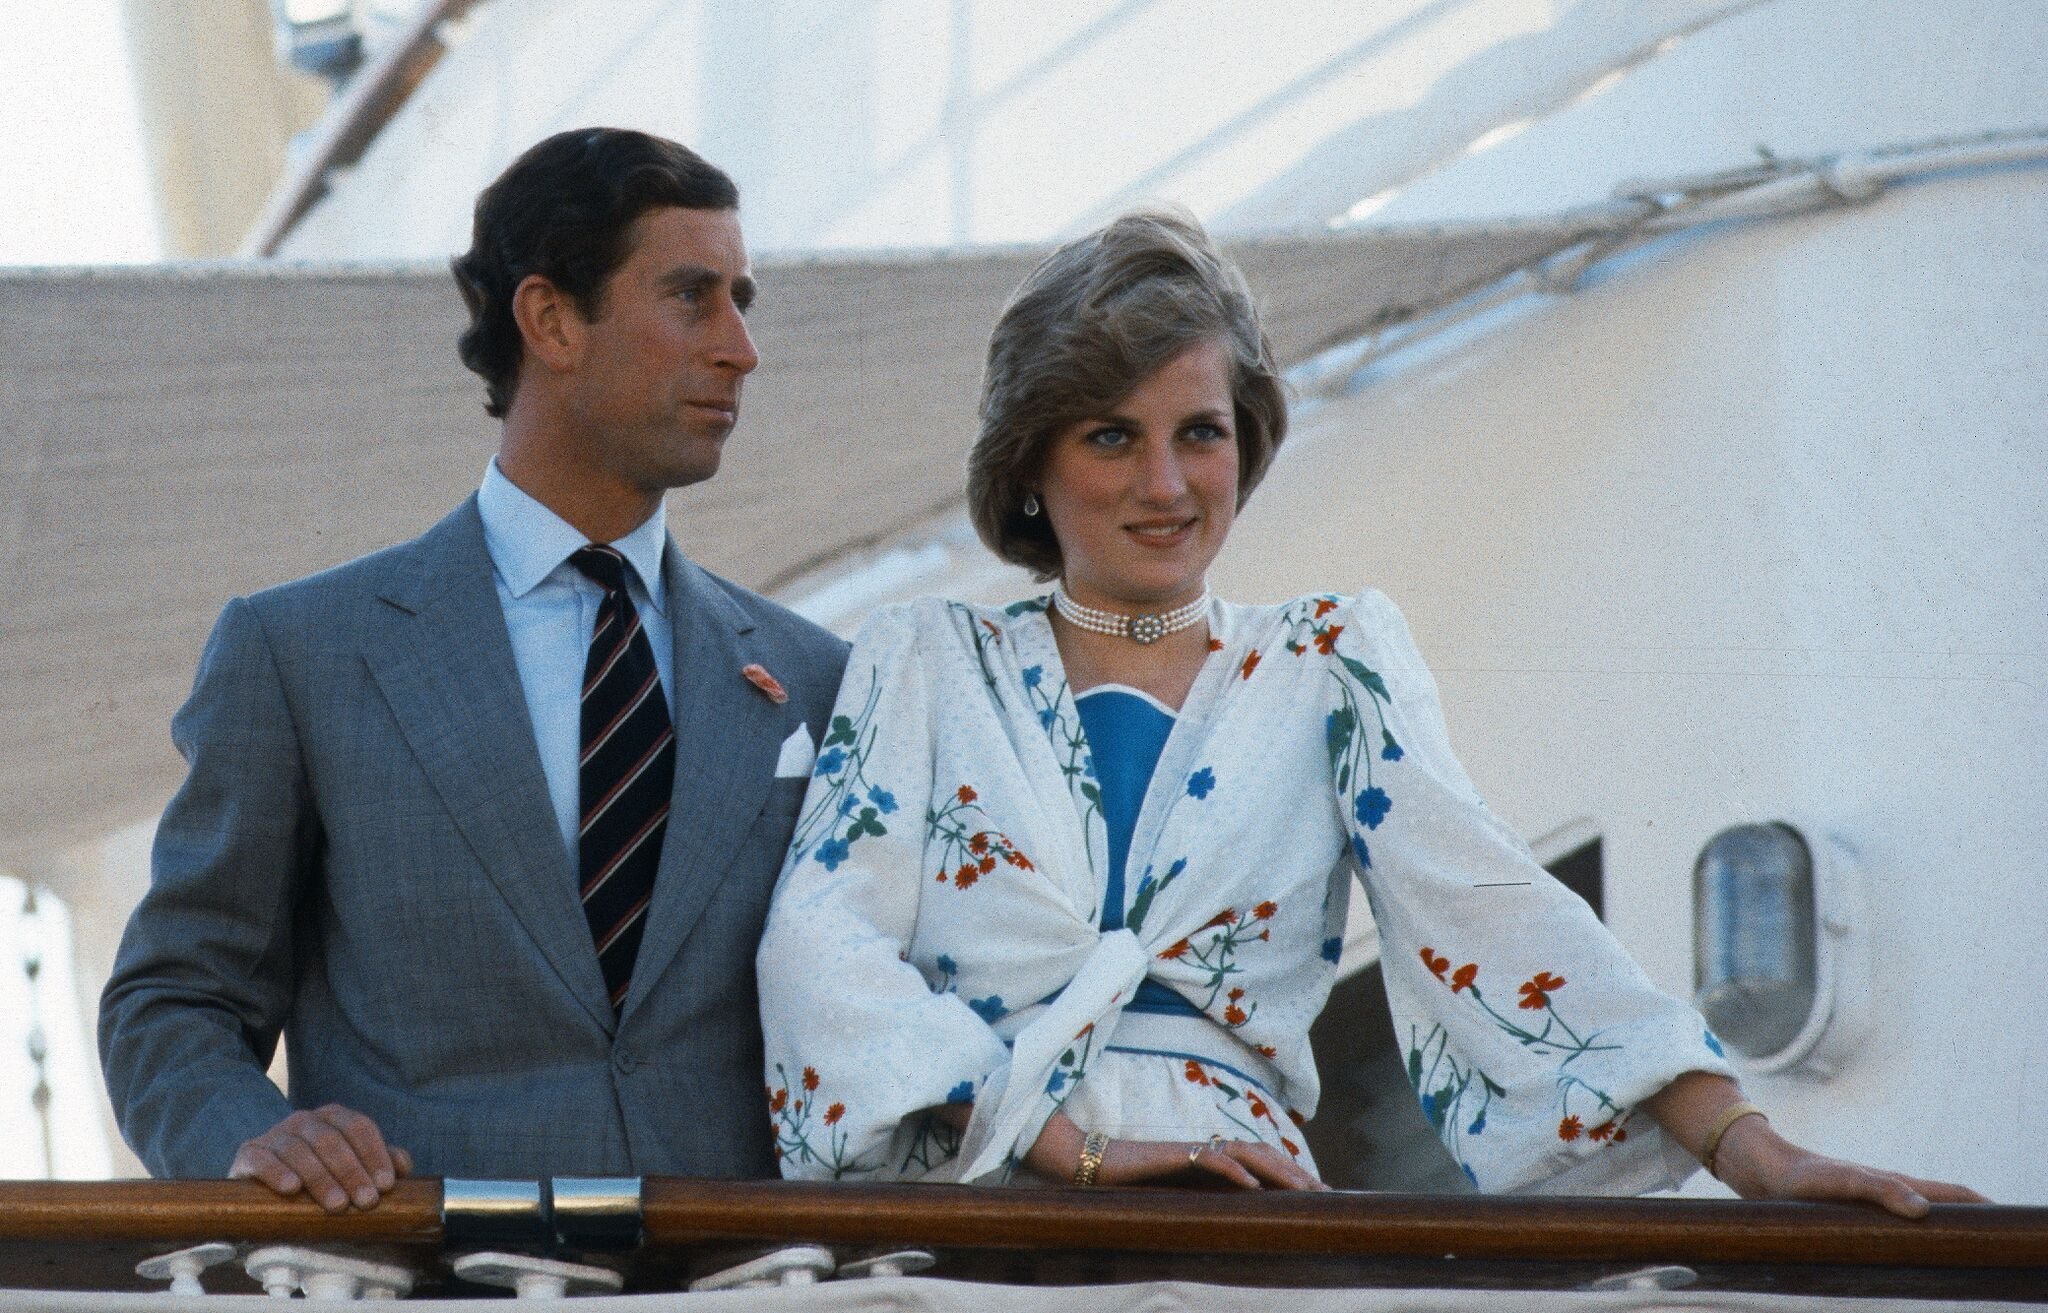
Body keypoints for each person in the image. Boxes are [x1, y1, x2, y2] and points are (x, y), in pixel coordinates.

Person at [755, 209, 1982, 1213]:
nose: (1166, 482)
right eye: (1109, 436)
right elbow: (821, 944)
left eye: (1201, 431)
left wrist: (1747, 1146)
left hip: (1234, 1207)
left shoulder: (1329, 660)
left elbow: (1488, 906)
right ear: (1029, 461)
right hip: (966, 1206)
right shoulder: (925, 657)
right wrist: (1063, 1145)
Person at [100, 128, 848, 1212]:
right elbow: (172, 998)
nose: (740, 345)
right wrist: (255, 1138)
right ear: (549, 318)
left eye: (742, 298)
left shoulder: (810, 676)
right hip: (427, 1275)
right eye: (691, 295)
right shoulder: (304, 652)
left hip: (743, 1277)